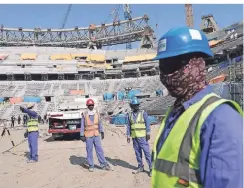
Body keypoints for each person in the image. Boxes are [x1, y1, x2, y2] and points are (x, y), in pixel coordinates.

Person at [151, 26, 243, 188]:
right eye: (163, 67)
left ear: (198, 65)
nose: (166, 75)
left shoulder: (220, 118)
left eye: (173, 65)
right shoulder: (173, 114)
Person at [80, 99, 112, 172]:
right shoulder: (84, 114)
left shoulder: (97, 113)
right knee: (89, 150)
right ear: (87, 106)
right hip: (88, 135)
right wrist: (81, 135)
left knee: (99, 150)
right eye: (89, 105)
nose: (91, 106)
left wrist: (102, 131)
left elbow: (99, 123)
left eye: (92, 105)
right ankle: (91, 165)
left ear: (93, 105)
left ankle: (104, 164)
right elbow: (82, 125)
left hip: (96, 134)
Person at [127, 97, 152, 176]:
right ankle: (140, 167)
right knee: (137, 153)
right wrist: (128, 135)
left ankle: (151, 168)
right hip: (134, 137)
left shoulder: (143, 113)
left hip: (142, 136)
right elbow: (128, 126)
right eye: (134, 105)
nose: (136, 107)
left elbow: (147, 123)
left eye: (137, 105)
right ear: (131, 106)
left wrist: (148, 133)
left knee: (146, 152)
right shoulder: (130, 114)